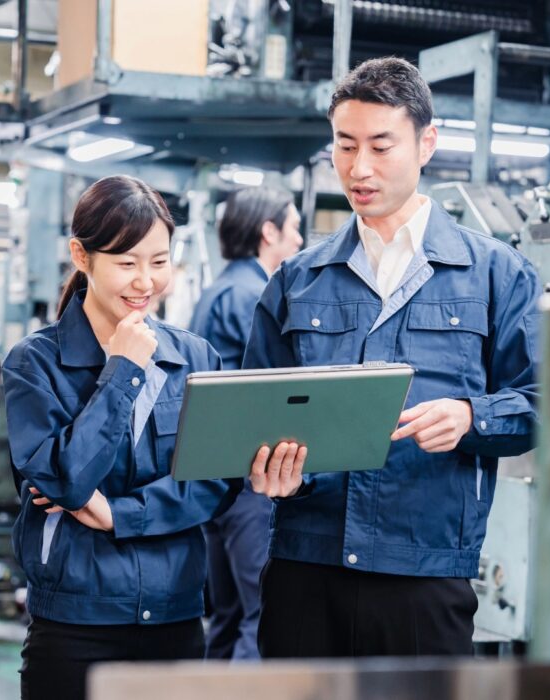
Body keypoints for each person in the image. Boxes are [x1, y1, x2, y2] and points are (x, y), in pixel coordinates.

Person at [242, 57, 542, 658]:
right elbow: (253, 411)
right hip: (306, 569)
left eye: (381, 146)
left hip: (424, 573)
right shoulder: (298, 280)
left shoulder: (495, 275)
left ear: (426, 143)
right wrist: (270, 470)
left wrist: (471, 417)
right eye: (345, 145)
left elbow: (546, 403)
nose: (359, 168)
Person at [2, 175, 240, 699]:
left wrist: (118, 514)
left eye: (159, 262)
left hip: (176, 619)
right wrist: (123, 371)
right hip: (75, 623)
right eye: (127, 263)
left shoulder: (195, 358)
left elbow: (214, 482)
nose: (145, 282)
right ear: (81, 257)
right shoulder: (35, 364)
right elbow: (67, 481)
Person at [188, 187, 302, 660]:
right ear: (268, 231)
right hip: (249, 481)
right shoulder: (254, 295)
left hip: (214, 480)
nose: (299, 241)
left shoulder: (216, 291)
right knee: (261, 617)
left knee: (227, 615)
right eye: (294, 228)